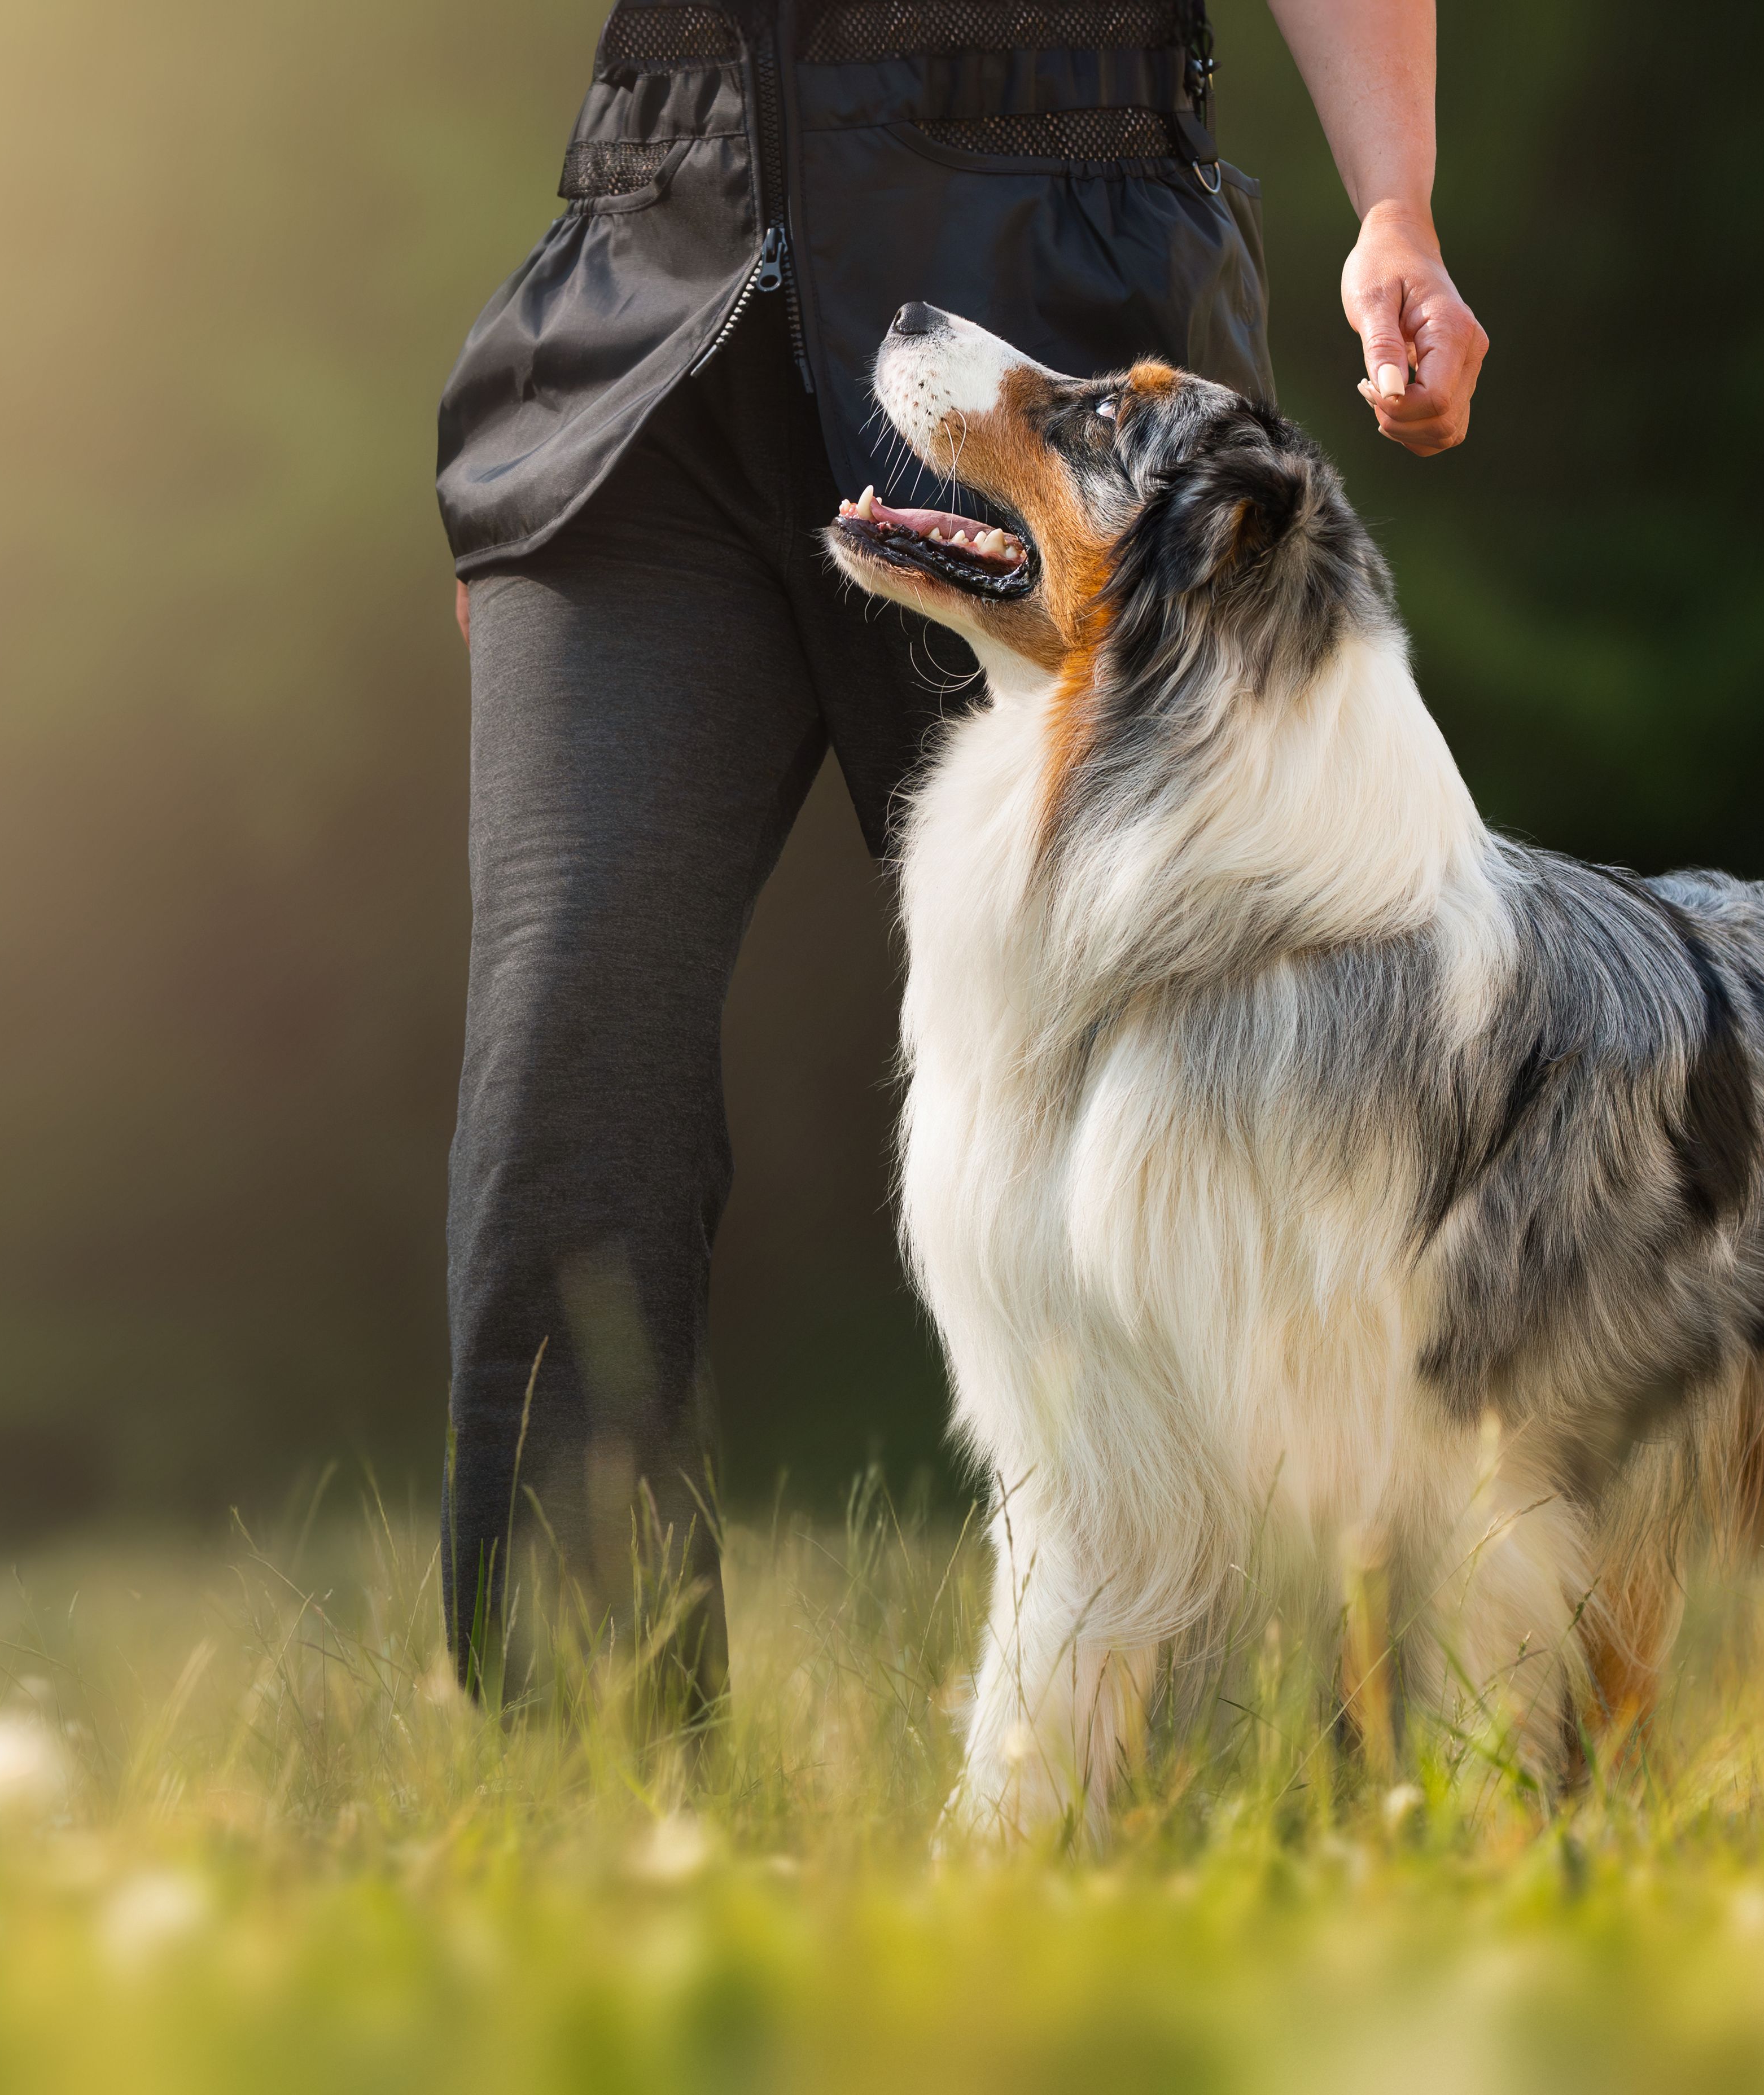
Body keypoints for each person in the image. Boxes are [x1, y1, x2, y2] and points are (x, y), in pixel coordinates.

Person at [431, 0, 1490, 1720]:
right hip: (644, 339)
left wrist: (1397, 205)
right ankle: (587, 1789)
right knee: (567, 1071)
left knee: (1191, 1113)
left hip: (1051, 323)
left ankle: (1209, 1781)